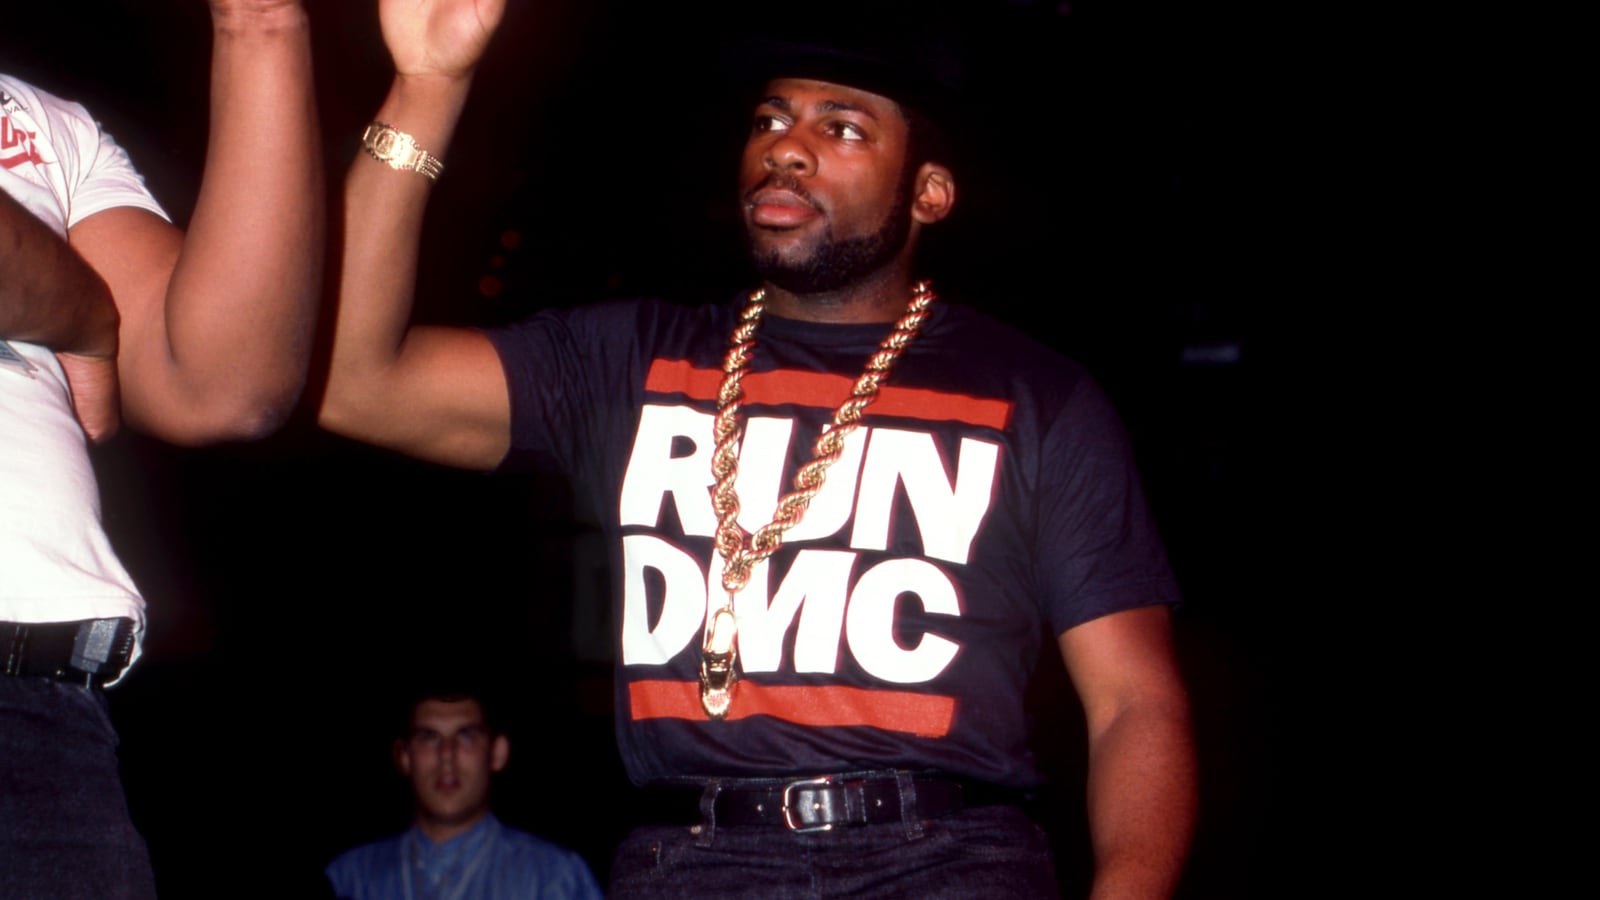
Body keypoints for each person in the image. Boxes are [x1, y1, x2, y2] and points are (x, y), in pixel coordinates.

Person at [319, 1, 1196, 896]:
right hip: (694, 863)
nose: (787, 149)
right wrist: (427, 85)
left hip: (949, 863)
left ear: (929, 193)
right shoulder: (630, 362)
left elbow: (1135, 703)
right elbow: (352, 381)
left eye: (841, 127)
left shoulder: (1036, 396)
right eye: (771, 119)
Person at [0, 2, 322, 897]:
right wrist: (83, 314)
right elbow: (99, 314)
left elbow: (226, 384)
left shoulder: (46, 122)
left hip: (49, 723)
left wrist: (263, 26)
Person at [324, 690, 604, 900]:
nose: (447, 756)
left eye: (466, 736)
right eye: (428, 737)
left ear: (497, 752)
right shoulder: (350, 879)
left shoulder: (555, 878)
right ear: (404, 756)